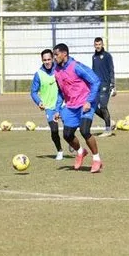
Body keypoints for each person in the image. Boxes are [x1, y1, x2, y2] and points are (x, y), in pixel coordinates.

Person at [52, 43, 103, 173]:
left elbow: (95, 81)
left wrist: (89, 101)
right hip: (70, 106)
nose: (54, 57)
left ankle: (96, 159)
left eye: (56, 54)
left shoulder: (77, 66)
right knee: (67, 135)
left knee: (85, 131)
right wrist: (57, 109)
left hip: (85, 103)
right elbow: (60, 92)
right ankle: (81, 151)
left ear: (64, 54)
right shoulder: (56, 71)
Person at [31, 49, 65, 160]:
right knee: (54, 130)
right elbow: (33, 92)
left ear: (52, 59)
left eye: (49, 59)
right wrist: (39, 102)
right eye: (45, 60)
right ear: (42, 60)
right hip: (50, 108)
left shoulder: (59, 70)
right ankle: (59, 150)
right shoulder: (38, 74)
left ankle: (72, 143)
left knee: (69, 129)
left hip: (64, 104)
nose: (47, 62)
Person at [91, 37, 116, 137]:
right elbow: (93, 71)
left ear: (102, 45)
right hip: (96, 85)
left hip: (105, 84)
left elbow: (111, 69)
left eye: (99, 44)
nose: (98, 46)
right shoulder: (94, 57)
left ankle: (108, 130)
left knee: (104, 106)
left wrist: (112, 84)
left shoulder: (107, 56)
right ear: (94, 45)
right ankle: (110, 121)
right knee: (94, 107)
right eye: (96, 45)